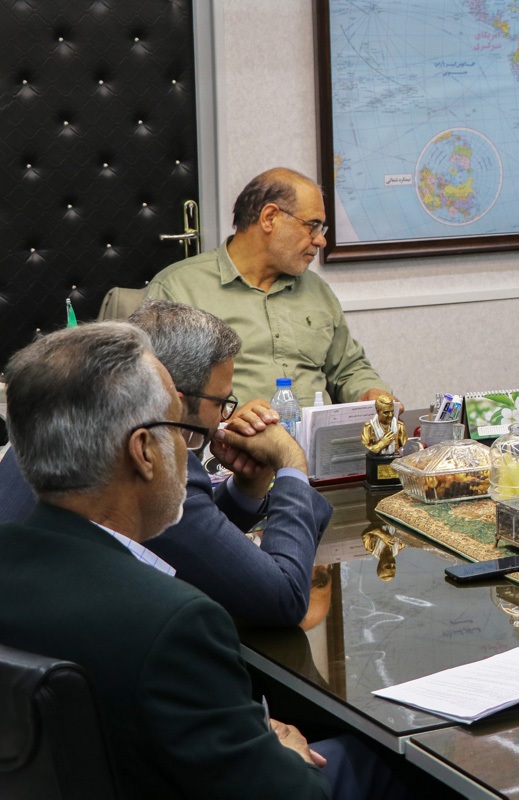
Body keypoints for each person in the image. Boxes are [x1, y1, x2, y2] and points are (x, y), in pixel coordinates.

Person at [0, 322, 408, 799]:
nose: (190, 453)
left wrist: (237, 724)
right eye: (180, 430)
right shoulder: (176, 624)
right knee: (390, 762)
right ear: (143, 452)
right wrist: (287, 753)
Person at [0, 299, 331, 627]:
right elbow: (283, 597)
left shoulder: (48, 431)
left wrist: (246, 489)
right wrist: (290, 461)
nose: (224, 417)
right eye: (221, 402)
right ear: (174, 399)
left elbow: (186, 541)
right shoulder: (142, 462)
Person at [144, 167, 395, 408]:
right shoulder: (179, 289)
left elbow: (348, 368)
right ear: (269, 217)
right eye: (313, 226)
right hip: (230, 436)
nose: (321, 240)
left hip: (318, 436)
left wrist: (371, 390)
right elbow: (160, 390)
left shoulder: (316, 290)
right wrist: (226, 417)